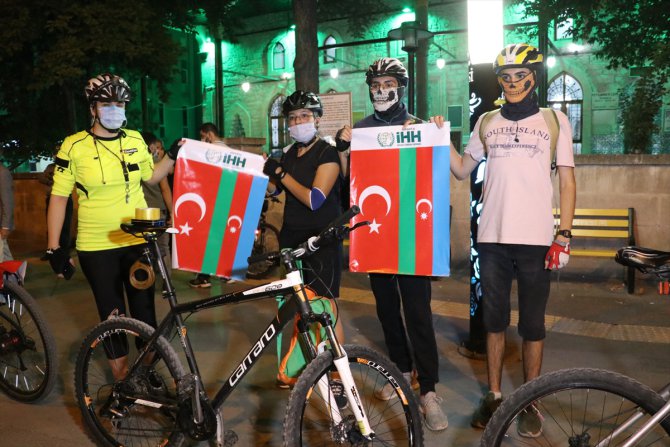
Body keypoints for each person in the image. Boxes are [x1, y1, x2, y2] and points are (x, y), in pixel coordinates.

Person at [448, 44, 576, 437]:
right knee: (494, 321)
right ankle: (494, 395)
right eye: (505, 77)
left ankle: (530, 400)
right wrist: (438, 137)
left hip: (537, 240)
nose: (512, 83)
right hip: (492, 239)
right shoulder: (486, 121)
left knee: (533, 325)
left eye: (520, 76)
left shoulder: (554, 120)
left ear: (534, 78)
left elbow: (567, 180)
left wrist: (564, 234)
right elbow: (461, 170)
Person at [334, 57, 449, 431]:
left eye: (388, 84)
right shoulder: (362, 130)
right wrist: (342, 149)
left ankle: (428, 389)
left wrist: (436, 133)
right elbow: (349, 185)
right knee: (386, 310)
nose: (381, 90)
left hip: (411, 237)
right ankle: (400, 369)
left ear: (401, 88)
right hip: (376, 233)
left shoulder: (418, 126)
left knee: (418, 313)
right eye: (375, 84)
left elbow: (436, 178)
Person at [46, 73, 179, 380]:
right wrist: (54, 247)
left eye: (120, 104)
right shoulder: (73, 146)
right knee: (112, 317)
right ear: (92, 108)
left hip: (137, 240)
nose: (115, 110)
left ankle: (144, 375)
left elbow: (151, 177)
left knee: (145, 315)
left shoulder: (134, 139)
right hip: (97, 246)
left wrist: (172, 156)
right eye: (107, 104)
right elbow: (59, 198)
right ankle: (122, 384)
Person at [262, 90, 343, 383]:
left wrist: (281, 174)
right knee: (298, 305)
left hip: (321, 240)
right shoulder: (289, 154)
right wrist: (265, 174)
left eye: (305, 116)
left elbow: (314, 199)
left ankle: (337, 374)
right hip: (292, 238)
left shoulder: (326, 153)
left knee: (326, 306)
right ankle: (300, 367)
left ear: (317, 119)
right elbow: (277, 191)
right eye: (293, 118)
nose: (298, 122)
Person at [187, 122, 235, 288]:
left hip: (210, 201)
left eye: (202, 136)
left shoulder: (208, 152)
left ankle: (204, 277)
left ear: (208, 134)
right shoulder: (230, 152)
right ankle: (226, 274)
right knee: (222, 239)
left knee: (207, 239)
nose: (201, 140)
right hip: (226, 201)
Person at [140, 132, 173, 281]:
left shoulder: (133, 161)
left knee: (144, 247)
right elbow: (165, 189)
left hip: (141, 212)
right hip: (158, 211)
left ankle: (146, 280)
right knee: (162, 247)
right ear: (152, 146)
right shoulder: (156, 162)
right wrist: (172, 212)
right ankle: (167, 282)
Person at [39, 143, 74, 263]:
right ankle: (50, 251)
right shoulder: (51, 167)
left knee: (65, 227)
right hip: (51, 198)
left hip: (65, 199)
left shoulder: (68, 165)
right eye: (55, 153)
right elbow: (41, 177)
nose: (56, 155)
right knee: (51, 227)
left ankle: (64, 252)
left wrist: (54, 179)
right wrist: (50, 181)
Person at [0, 153, 14, 262]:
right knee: (5, 255)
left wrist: (5, 226)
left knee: (3, 256)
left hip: (1, 224)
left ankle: (14, 272)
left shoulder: (2, 173)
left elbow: (7, 201)